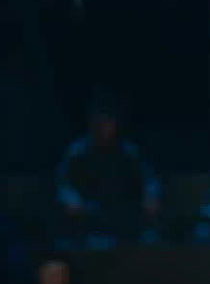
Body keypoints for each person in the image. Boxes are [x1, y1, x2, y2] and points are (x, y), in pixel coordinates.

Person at [53, 104, 161, 245]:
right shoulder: (78, 152)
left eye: (107, 123)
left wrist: (151, 196)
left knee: (147, 237)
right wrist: (71, 199)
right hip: (89, 211)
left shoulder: (128, 151)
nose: (103, 128)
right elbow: (63, 182)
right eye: (98, 124)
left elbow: (149, 179)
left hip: (124, 210)